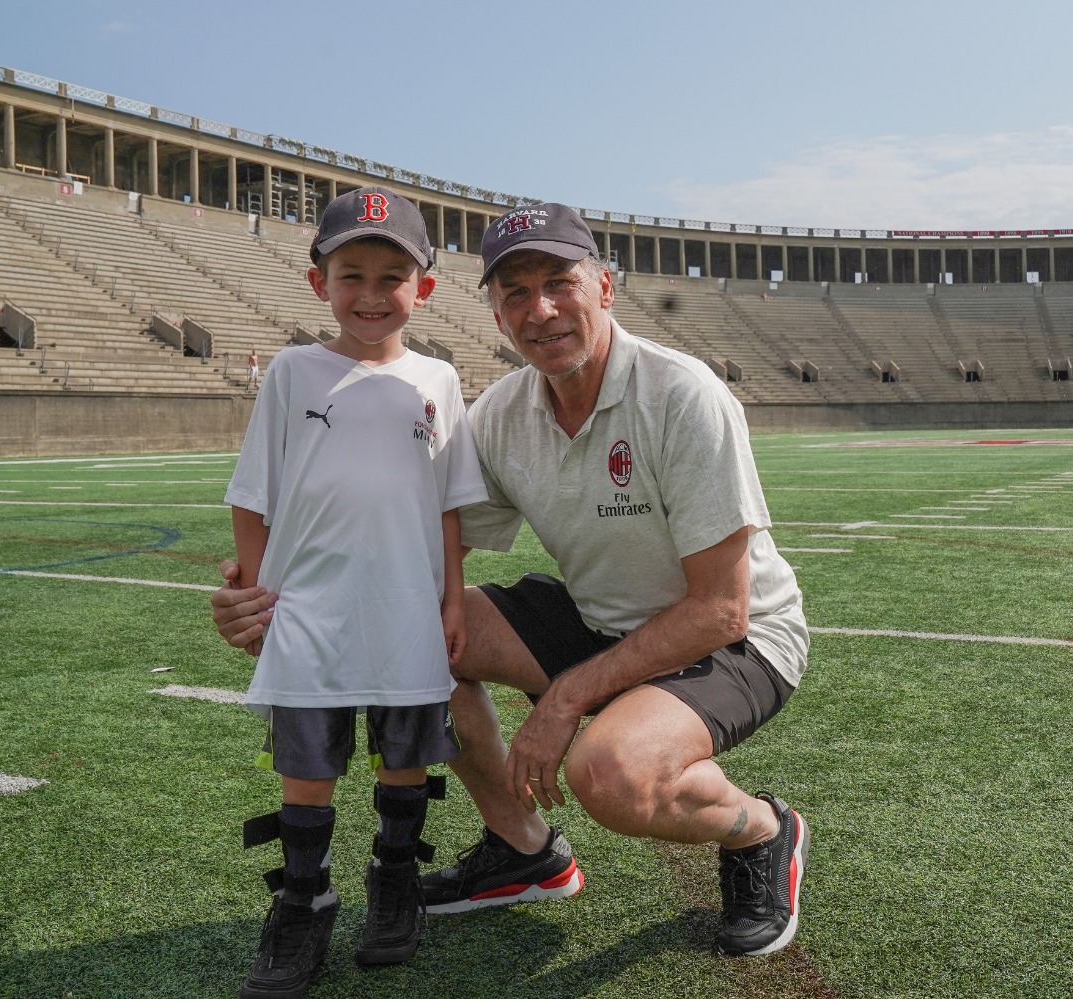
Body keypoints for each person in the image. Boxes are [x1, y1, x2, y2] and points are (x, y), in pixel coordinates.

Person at [213, 202, 810, 958]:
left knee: (612, 774)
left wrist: (565, 699)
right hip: (601, 615)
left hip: (738, 637)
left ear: (605, 286)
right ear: (494, 311)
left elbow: (720, 609)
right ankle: (524, 848)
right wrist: (268, 594)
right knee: (424, 627)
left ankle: (762, 829)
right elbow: (410, 532)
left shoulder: (680, 393)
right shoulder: (500, 412)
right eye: (516, 293)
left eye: (559, 283)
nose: (542, 310)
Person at [224, 186, 487, 999]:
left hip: (408, 601)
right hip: (308, 606)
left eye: (391, 276)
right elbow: (251, 494)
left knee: (404, 755)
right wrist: (258, 595)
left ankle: (395, 877)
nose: (371, 295)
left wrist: (452, 598)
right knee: (307, 767)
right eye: (351, 275)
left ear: (425, 288)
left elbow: (448, 505)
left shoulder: (440, 381)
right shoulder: (294, 370)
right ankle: (304, 897)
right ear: (319, 283)